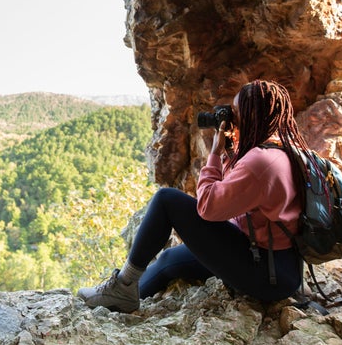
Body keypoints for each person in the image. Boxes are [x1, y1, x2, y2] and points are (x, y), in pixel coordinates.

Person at [77, 80, 307, 312]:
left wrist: (215, 153)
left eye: (236, 112)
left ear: (251, 116)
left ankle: (122, 286)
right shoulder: (280, 150)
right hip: (279, 264)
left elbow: (208, 207)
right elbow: (234, 192)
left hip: (267, 274)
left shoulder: (260, 162)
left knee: (166, 201)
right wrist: (229, 150)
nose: (232, 119)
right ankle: (120, 298)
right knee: (168, 260)